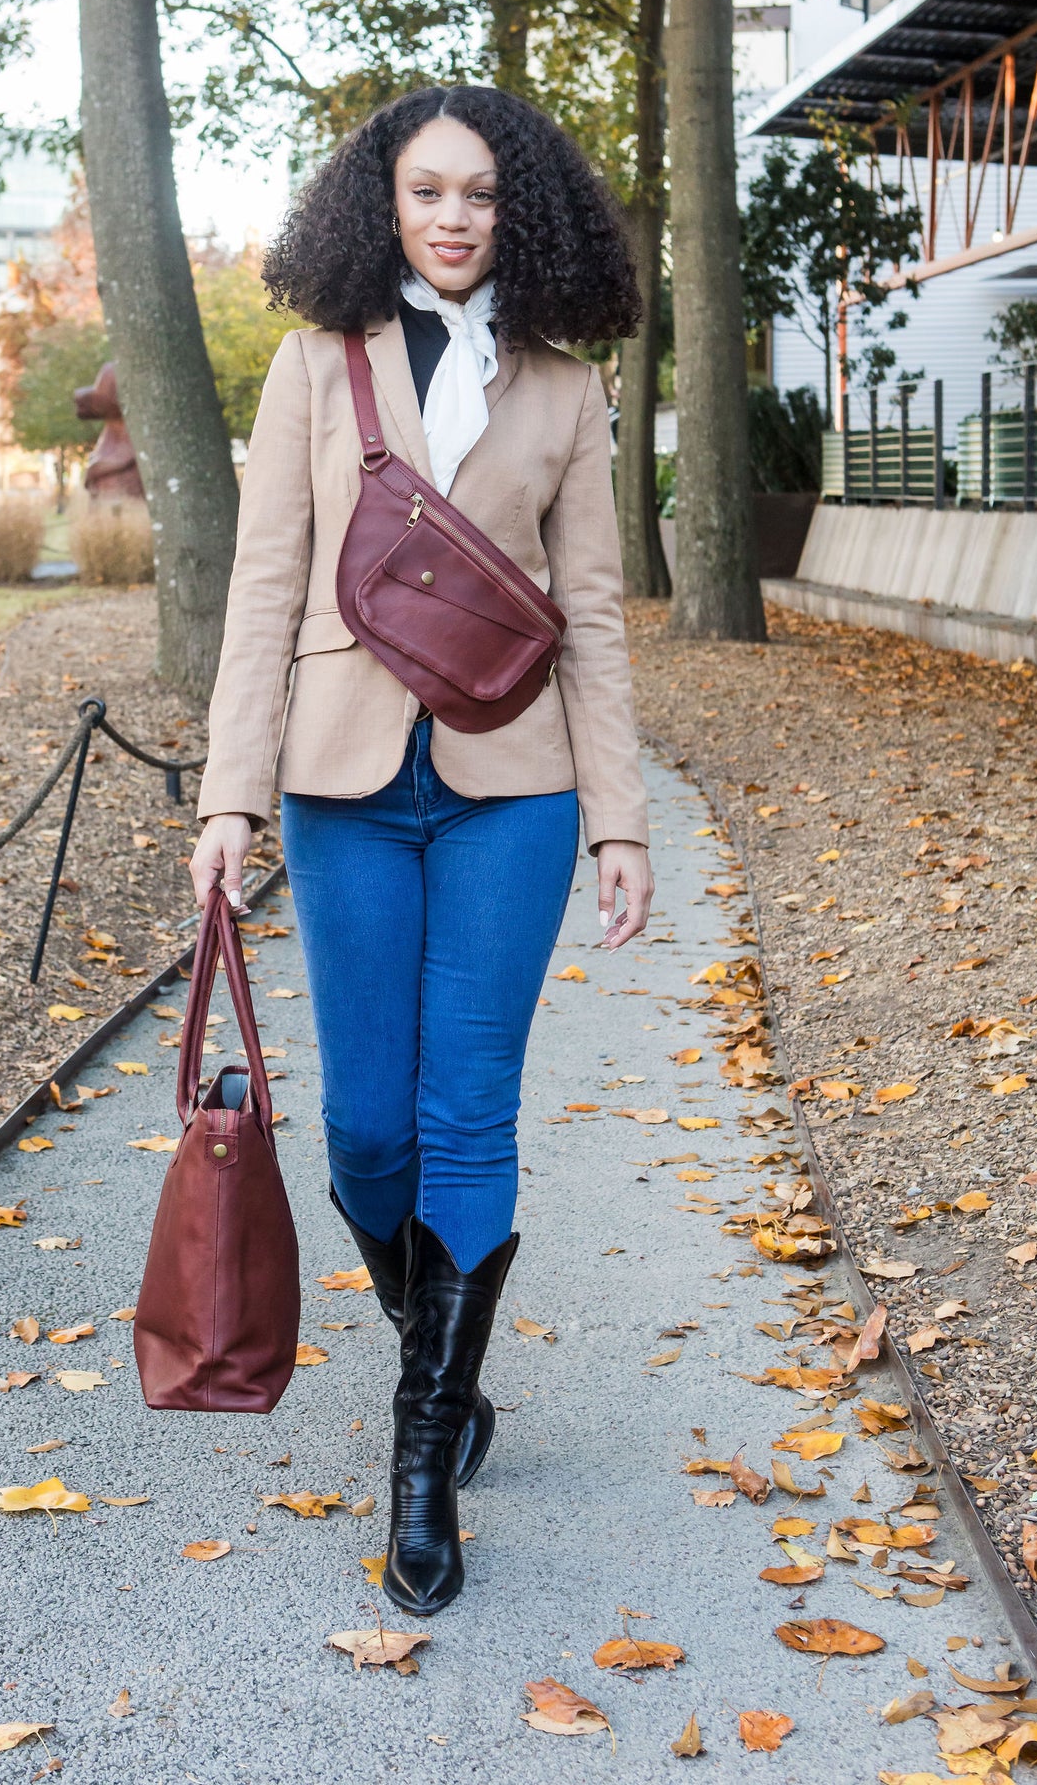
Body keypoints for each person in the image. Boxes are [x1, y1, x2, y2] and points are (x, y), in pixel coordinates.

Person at [189, 84, 652, 1616]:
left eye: (479, 195)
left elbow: (590, 613)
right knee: (366, 1134)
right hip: (339, 786)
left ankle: (418, 1454)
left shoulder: (568, 387)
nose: (452, 217)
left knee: (468, 1113)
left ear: (520, 210)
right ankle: (439, 1365)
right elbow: (265, 588)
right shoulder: (317, 370)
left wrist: (617, 821)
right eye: (425, 192)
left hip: (509, 791)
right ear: (380, 208)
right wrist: (226, 802)